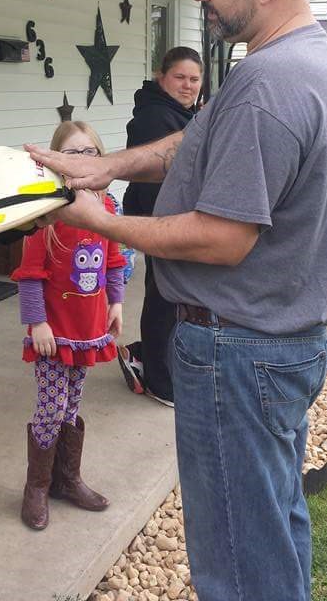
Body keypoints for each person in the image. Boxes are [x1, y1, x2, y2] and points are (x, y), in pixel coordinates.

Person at [26, 0, 327, 601]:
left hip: (238, 350)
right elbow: (199, 145)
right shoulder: (296, 58)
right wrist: (108, 166)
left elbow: (222, 237)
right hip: (274, 342)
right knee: (271, 527)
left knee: (236, 559)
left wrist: (99, 220)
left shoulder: (269, 84)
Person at [11, 120, 126, 531]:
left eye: (89, 152)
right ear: (57, 159)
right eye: (72, 152)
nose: (82, 160)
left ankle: (67, 479)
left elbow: (114, 261)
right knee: (50, 406)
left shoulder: (107, 208)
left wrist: (116, 303)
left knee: (72, 404)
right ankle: (37, 486)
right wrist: (36, 322)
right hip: (53, 332)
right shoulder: (46, 212)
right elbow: (29, 274)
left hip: (88, 328)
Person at [120, 46, 203, 405]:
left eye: (195, 79)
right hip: (160, 219)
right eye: (180, 77)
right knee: (165, 299)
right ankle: (159, 379)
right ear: (162, 78)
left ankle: (149, 358)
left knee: (169, 296)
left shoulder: (185, 114)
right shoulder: (154, 118)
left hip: (179, 220)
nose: (188, 86)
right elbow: (159, 178)